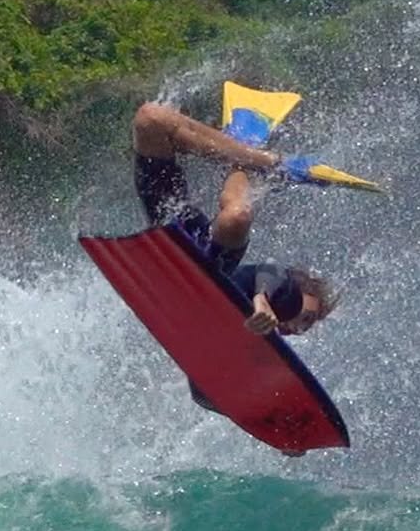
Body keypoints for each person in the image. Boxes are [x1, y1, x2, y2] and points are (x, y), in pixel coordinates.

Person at [132, 100, 339, 350]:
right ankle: (269, 162)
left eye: (303, 329)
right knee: (151, 118)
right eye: (303, 319)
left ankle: (243, 149)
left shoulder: (259, 349)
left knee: (148, 119)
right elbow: (272, 271)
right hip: (210, 266)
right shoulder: (269, 293)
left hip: (169, 238)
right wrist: (262, 299)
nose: (294, 328)